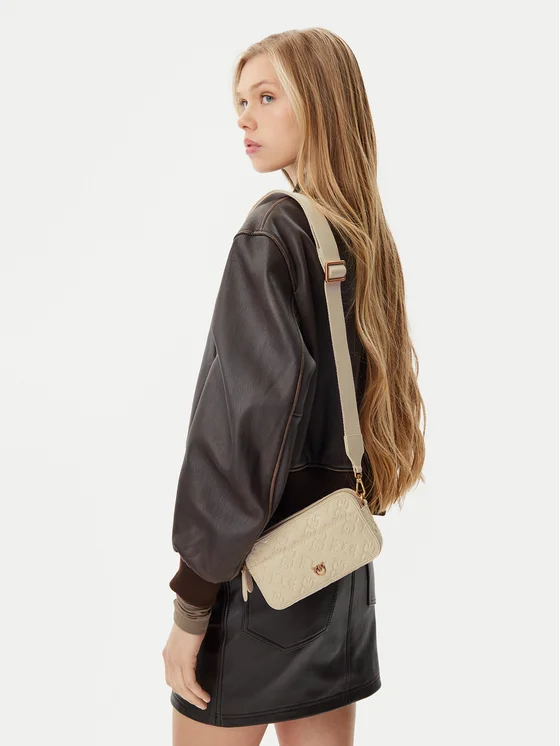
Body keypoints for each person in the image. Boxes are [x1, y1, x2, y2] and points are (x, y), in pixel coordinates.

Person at [161, 26, 426, 745]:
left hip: (258, 581)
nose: (245, 117)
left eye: (267, 97)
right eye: (241, 101)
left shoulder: (272, 233)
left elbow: (241, 432)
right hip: (337, 569)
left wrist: (192, 605)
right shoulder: (361, 239)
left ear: (322, 104)